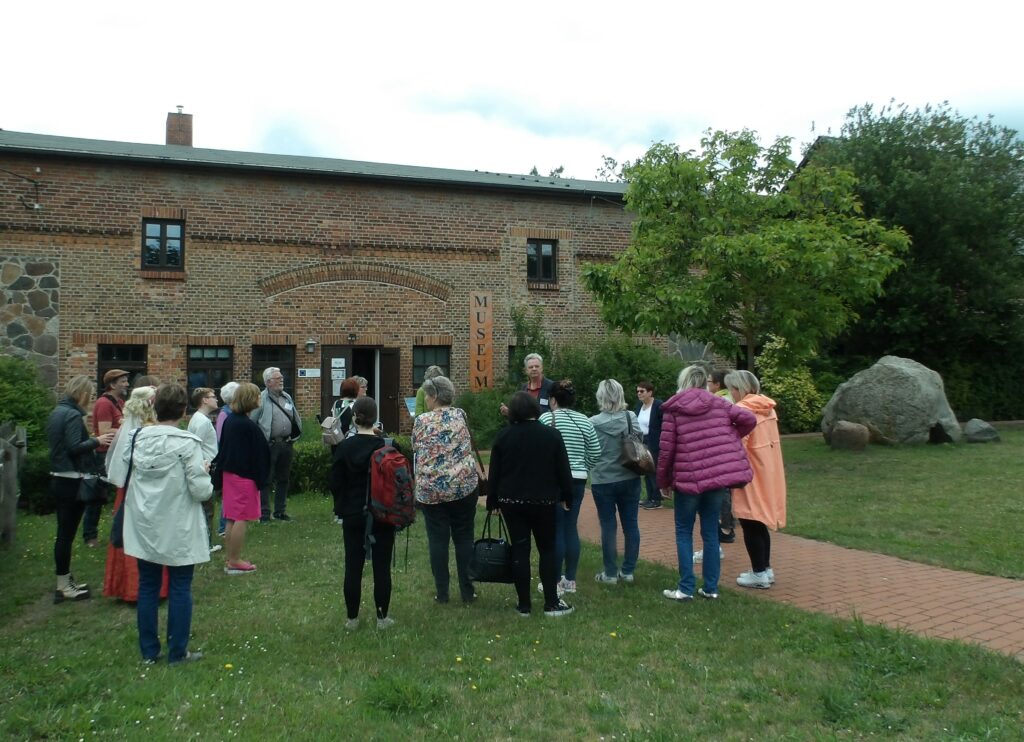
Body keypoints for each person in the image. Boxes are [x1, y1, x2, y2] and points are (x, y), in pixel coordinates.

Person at [123, 383, 213, 664]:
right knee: (180, 586)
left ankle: (149, 652)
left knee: (148, 586)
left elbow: (124, 471)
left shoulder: (137, 438)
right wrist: (205, 472)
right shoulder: (186, 443)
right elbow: (201, 491)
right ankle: (177, 652)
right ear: (183, 411)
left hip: (145, 521)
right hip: (178, 523)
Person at [657, 365, 756, 601]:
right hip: (715, 479)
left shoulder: (675, 408)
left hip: (687, 479)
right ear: (704, 382)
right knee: (710, 531)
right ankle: (711, 588)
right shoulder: (719, 404)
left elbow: (666, 450)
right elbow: (748, 419)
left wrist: (663, 480)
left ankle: (685, 588)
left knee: (684, 531)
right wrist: (730, 437)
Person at [487, 391, 574, 618]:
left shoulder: (503, 436)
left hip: (512, 501)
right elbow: (563, 469)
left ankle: (523, 605)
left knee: (520, 549)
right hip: (544, 500)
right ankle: (551, 603)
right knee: (547, 549)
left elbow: (495, 472)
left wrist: (492, 500)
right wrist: (567, 495)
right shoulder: (552, 436)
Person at [46, 375, 116, 603]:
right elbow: (74, 448)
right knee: (65, 536)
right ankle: (64, 585)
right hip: (71, 479)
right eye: (90, 394)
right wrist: (98, 440)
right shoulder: (74, 415)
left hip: (59, 476)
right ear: (83, 394)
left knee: (63, 534)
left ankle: (65, 580)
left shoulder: (57, 412)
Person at [330, 396, 397, 630]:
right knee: (382, 566)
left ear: (355, 417)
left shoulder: (344, 447)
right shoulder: (387, 446)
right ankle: (382, 618)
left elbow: (335, 482)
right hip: (382, 511)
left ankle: (352, 619)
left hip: (352, 512)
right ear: (375, 417)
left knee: (353, 565)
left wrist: (341, 508)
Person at [413, 376, 480, 604]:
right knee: (464, 538)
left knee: (438, 541)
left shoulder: (421, 420)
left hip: (432, 489)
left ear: (433, 396)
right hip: (462, 486)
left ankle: (442, 593)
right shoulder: (460, 415)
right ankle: (467, 590)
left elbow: (416, 446)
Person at [103, 385, 169, 602]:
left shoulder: (134, 428)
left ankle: (138, 587)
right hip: (138, 489)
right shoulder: (141, 431)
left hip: (132, 488)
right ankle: (136, 588)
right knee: (139, 534)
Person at [726, 370, 787, 589]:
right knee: (759, 522)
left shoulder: (742, 410)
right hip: (768, 471)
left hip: (749, 472)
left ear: (739, 389)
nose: (731, 394)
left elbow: (737, 444)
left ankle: (759, 573)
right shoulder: (768, 408)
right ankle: (765, 568)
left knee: (749, 521)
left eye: (732, 389)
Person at [538, 379, 600, 595]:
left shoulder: (546, 418)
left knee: (555, 529)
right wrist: (583, 467)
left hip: (553, 480)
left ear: (553, 399)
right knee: (570, 526)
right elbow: (595, 451)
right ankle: (570, 579)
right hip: (578, 479)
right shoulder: (584, 421)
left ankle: (554, 581)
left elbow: (540, 449)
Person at [589, 379, 644, 585]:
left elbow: (591, 450)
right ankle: (628, 570)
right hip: (629, 476)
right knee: (631, 524)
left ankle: (610, 573)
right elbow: (640, 442)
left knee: (608, 526)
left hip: (603, 479)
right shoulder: (630, 417)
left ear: (600, 397)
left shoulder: (592, 422)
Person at [219, 382, 269, 574]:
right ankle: (234, 559)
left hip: (231, 474)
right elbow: (258, 453)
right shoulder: (245, 425)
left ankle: (231, 558)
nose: (260, 399)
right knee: (241, 517)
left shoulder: (232, 420)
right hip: (244, 476)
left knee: (232, 516)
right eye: (257, 396)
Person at [83, 369, 130, 547]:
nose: (127, 384)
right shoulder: (104, 403)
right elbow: (103, 431)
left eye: (126, 380)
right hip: (104, 454)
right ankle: (90, 536)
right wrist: (129, 431)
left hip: (116, 452)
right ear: (112, 384)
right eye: (123, 381)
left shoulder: (119, 402)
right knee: (97, 494)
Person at [252, 367, 302, 523]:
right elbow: (253, 422)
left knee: (283, 478)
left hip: (286, 443)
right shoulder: (261, 399)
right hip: (270, 444)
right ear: (268, 382)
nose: (281, 380)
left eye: (281, 377)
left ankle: (280, 511)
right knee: (266, 479)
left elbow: (294, 415)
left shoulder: (286, 396)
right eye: (277, 378)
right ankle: (264, 514)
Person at [705, 370, 737, 546]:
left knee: (723, 489)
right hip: (729, 450)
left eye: (709, 381)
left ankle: (726, 527)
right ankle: (728, 522)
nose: (707, 385)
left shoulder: (720, 401)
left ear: (717, 384)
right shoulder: (729, 399)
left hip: (721, 451)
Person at [188, 387, 220, 553]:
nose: (216, 399)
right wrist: (203, 468)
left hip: (205, 466)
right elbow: (196, 445)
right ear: (204, 400)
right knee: (207, 508)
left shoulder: (199, 419)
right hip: (206, 468)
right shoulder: (202, 421)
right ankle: (205, 544)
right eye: (212, 397)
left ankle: (203, 543)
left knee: (206, 507)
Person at [330, 377, 361, 523]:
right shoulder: (356, 405)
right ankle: (349, 509)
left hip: (337, 443)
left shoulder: (336, 403)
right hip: (351, 443)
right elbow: (357, 424)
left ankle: (337, 511)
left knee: (339, 477)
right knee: (352, 478)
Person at [214, 381, 240, 538]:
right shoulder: (225, 414)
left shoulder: (232, 412)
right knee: (228, 495)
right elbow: (220, 438)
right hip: (228, 459)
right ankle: (223, 526)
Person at [635, 381, 664, 510]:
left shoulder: (658, 405)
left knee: (654, 470)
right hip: (642, 441)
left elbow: (664, 424)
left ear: (650, 392)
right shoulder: (639, 406)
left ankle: (657, 499)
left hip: (654, 441)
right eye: (638, 391)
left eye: (642, 391)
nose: (639, 394)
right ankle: (649, 497)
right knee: (646, 469)